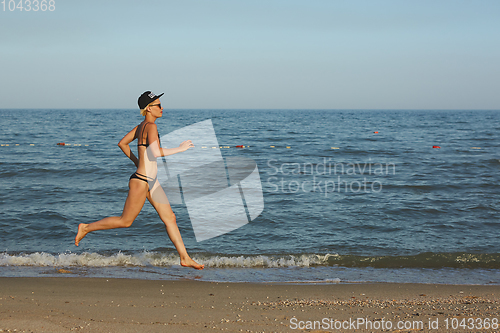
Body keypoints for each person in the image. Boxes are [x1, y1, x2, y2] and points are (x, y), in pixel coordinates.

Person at [75, 91, 204, 270]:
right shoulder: (150, 126)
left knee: (170, 218)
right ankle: (86, 228)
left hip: (151, 181)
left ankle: (185, 257)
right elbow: (155, 152)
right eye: (158, 105)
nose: (162, 108)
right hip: (142, 181)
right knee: (125, 221)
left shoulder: (140, 126)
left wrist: (138, 161)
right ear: (149, 108)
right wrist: (180, 149)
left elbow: (122, 143)